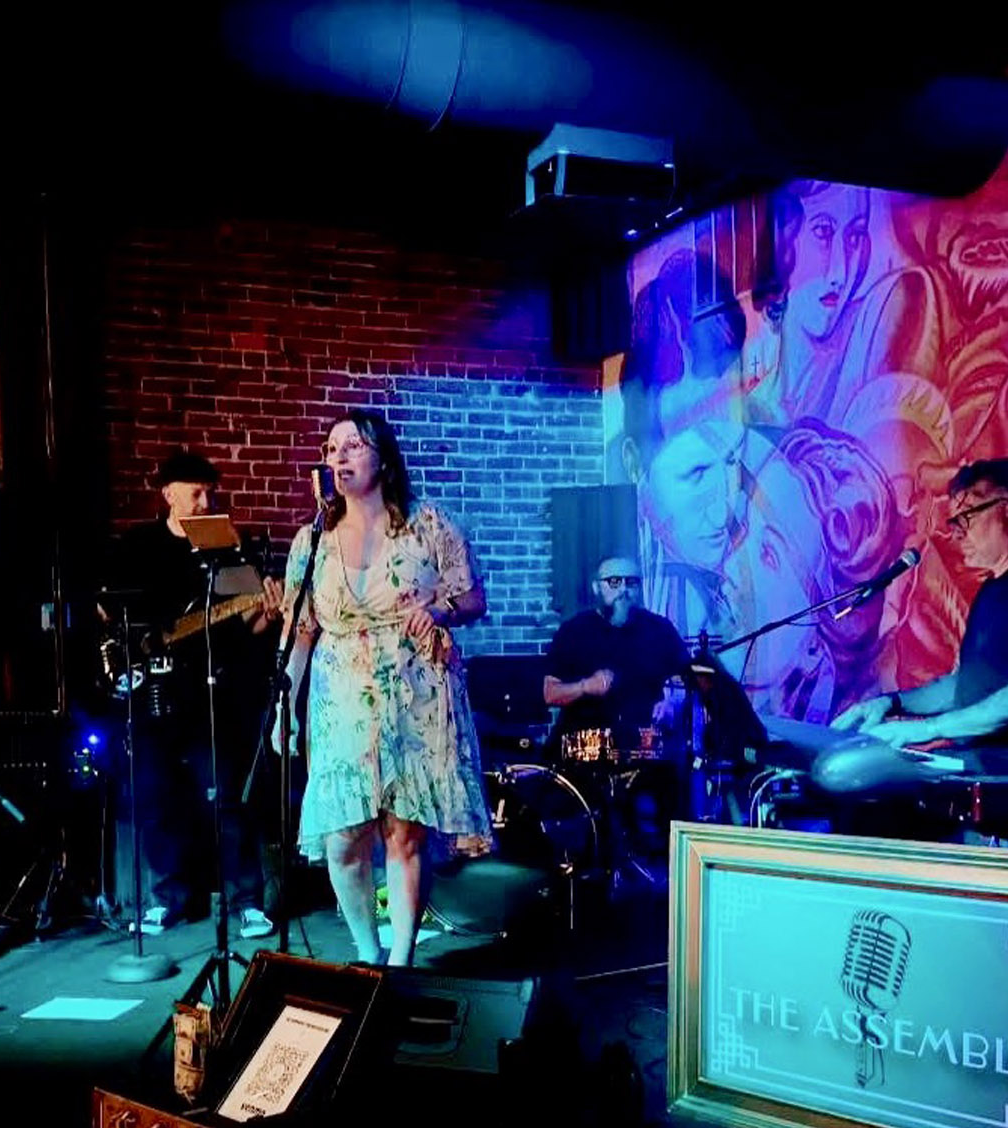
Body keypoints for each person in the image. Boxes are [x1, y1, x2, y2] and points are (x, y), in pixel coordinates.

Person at [275, 410, 491, 967]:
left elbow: (473, 599)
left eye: (353, 445)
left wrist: (439, 609)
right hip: (341, 698)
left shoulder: (429, 524)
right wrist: (284, 705)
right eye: (331, 448)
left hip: (416, 693)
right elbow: (299, 632)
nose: (339, 456)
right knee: (342, 836)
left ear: (383, 457)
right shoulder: (313, 540)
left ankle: (400, 961)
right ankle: (367, 954)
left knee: (404, 833)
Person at [104, 449, 285, 937]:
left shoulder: (226, 546)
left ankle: (246, 900)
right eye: (196, 493)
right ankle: (166, 898)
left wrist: (270, 611)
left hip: (212, 691)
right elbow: (110, 610)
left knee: (226, 797)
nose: (206, 502)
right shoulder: (138, 546)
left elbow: (250, 625)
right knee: (156, 796)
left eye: (210, 493)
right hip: (153, 689)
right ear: (169, 495)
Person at [829, 457, 1008, 775]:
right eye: (954, 522)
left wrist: (928, 729)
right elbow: (961, 686)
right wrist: (890, 704)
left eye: (967, 517)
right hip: (991, 765)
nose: (957, 533)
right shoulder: (991, 591)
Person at [542, 555, 693, 868]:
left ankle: (671, 872)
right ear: (597, 588)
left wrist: (672, 701)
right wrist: (585, 686)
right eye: (614, 582)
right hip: (582, 750)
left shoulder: (659, 630)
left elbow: (684, 679)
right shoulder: (575, 631)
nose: (624, 589)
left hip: (646, 748)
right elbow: (550, 693)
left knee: (677, 788)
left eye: (631, 582)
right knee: (577, 815)